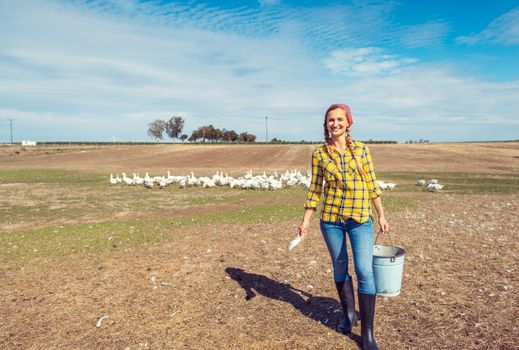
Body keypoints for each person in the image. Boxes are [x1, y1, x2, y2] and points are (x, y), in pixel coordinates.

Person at [297, 103, 389, 350]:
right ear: (325, 125)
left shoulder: (361, 150)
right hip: (331, 220)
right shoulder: (319, 154)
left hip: (360, 218)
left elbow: (371, 183)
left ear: (349, 122)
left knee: (364, 271)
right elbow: (316, 188)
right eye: (330, 120)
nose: (335, 124)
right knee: (339, 268)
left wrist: (380, 214)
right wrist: (306, 219)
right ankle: (349, 315)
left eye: (339, 119)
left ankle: (368, 333)